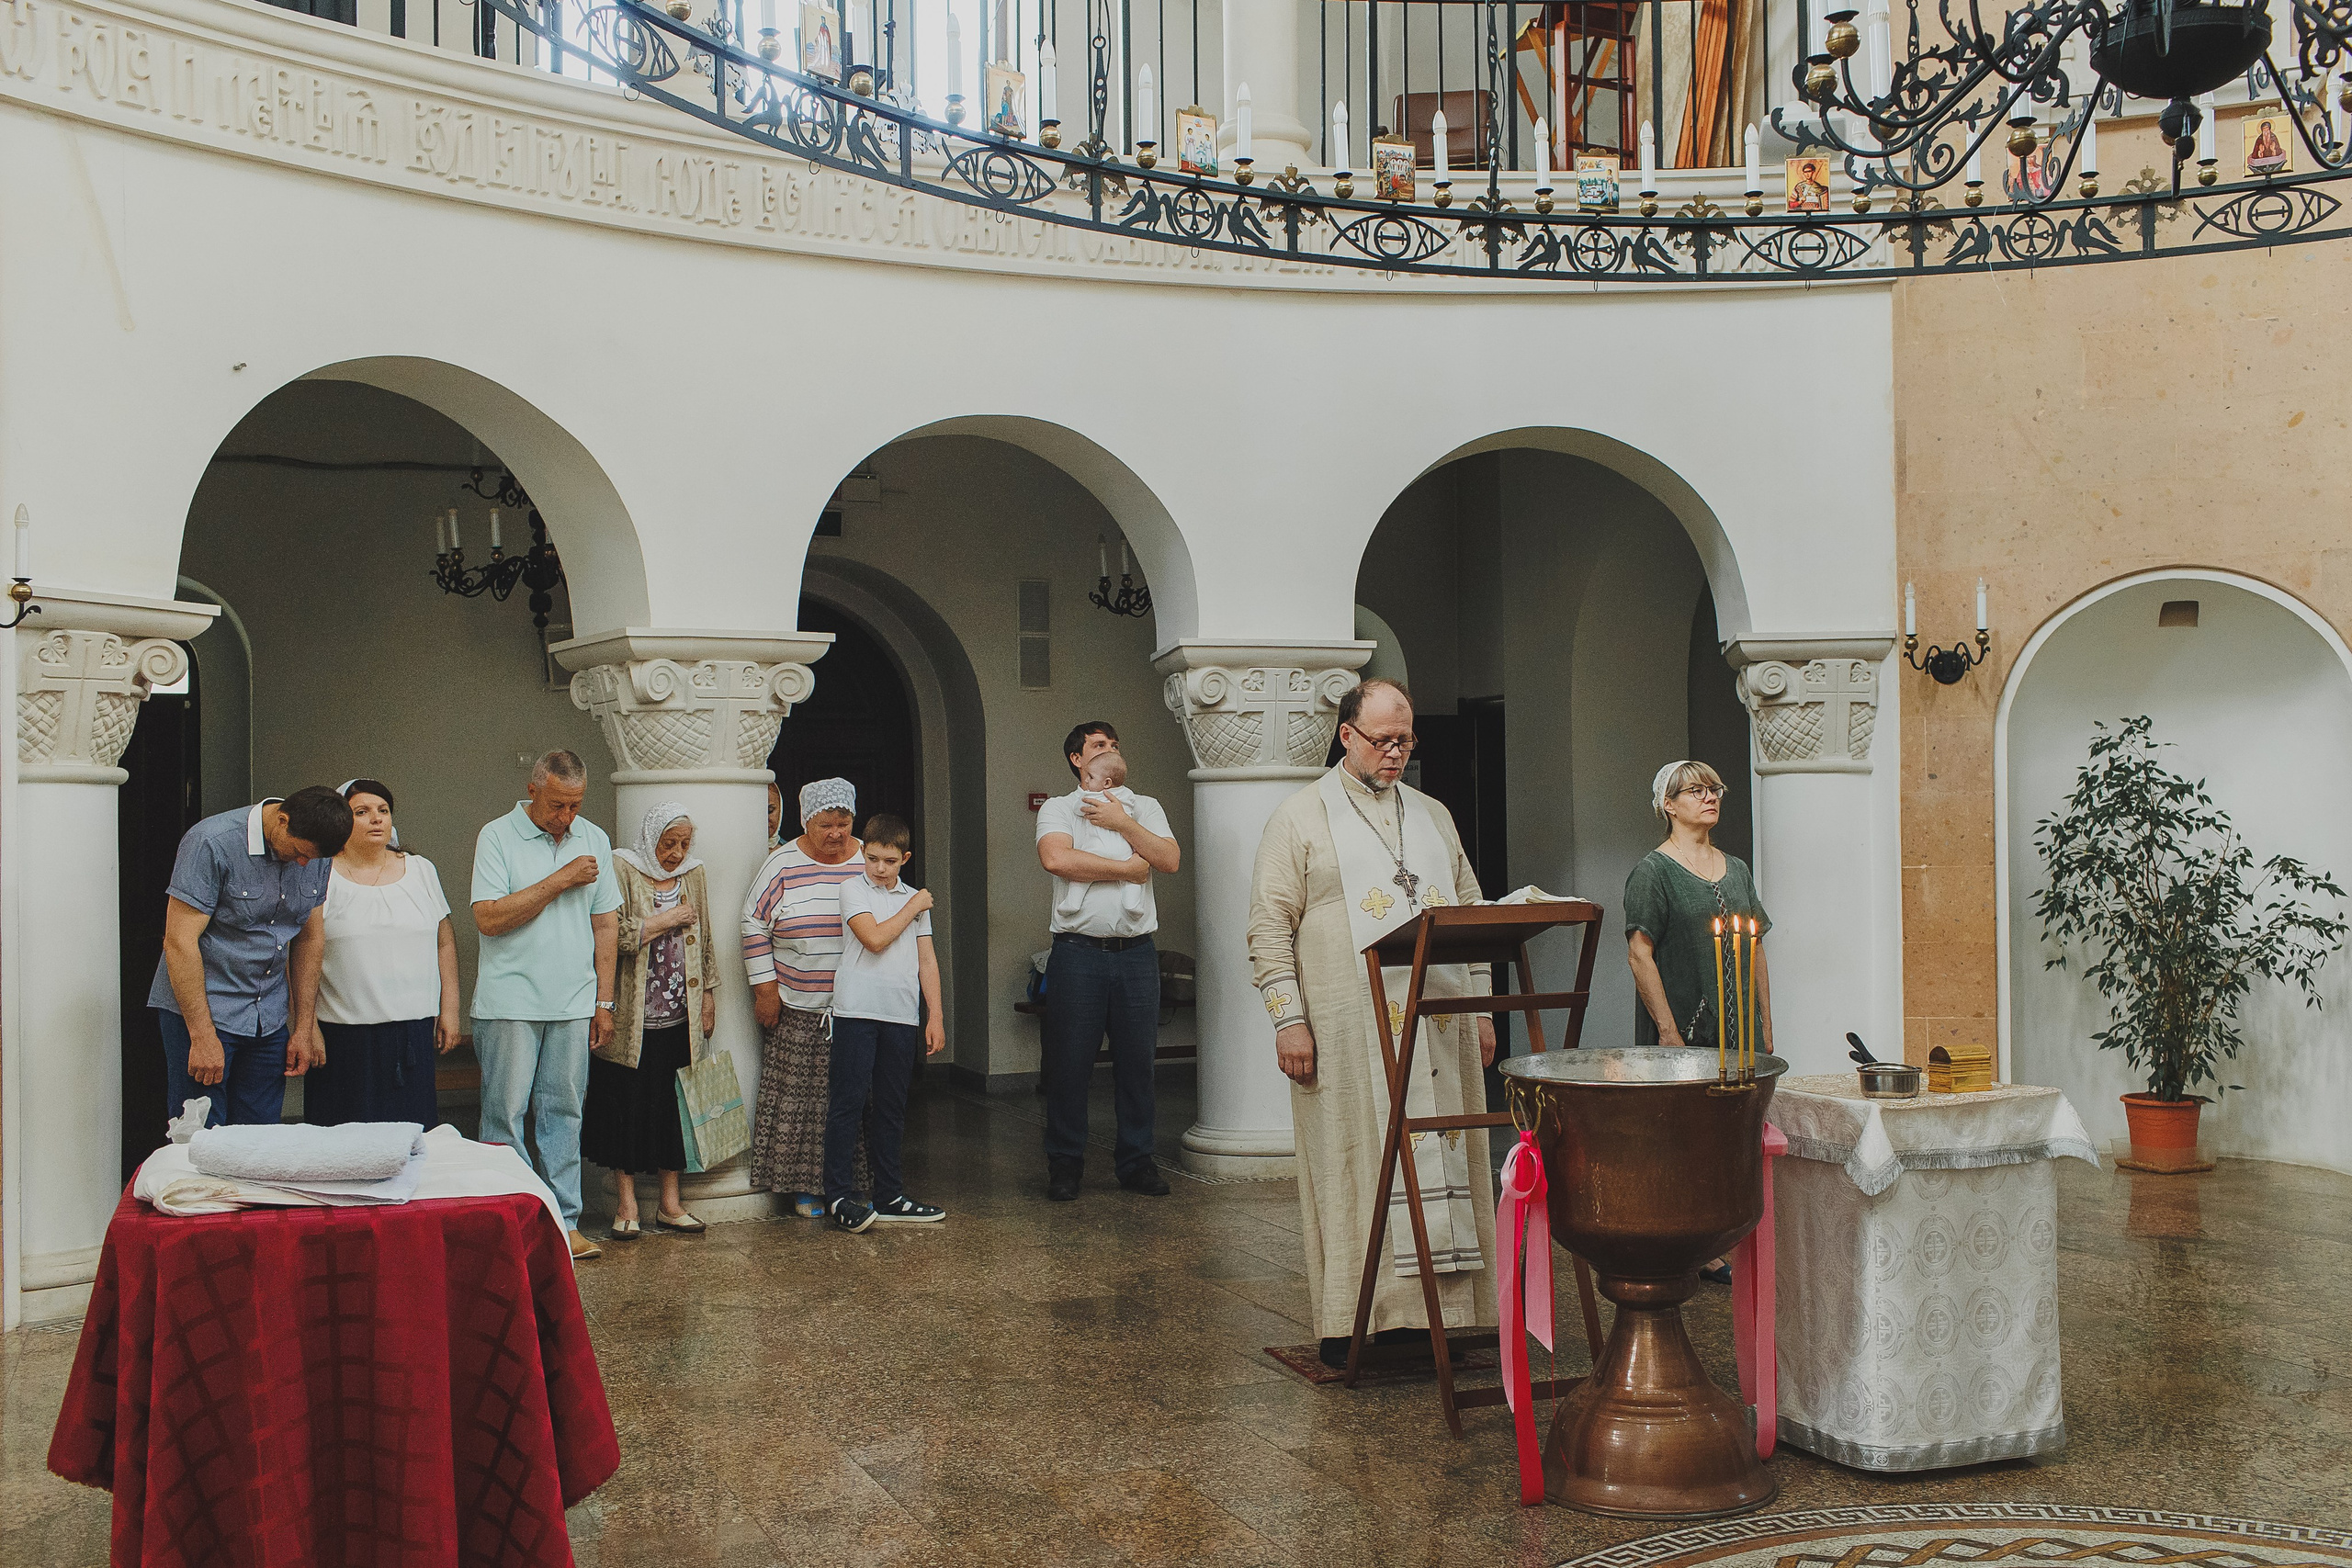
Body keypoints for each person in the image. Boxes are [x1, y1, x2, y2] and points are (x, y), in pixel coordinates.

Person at [1246, 678, 1497, 1370]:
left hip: (1439, 1024)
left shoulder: (1433, 812)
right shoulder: (1299, 817)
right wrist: (1287, 1021)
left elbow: (1471, 905)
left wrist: (1478, 1002)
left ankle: (1445, 1322)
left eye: (1406, 740)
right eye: (1383, 740)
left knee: (1444, 1153)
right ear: (1346, 734)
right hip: (1347, 1025)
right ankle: (1358, 1323)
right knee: (1355, 1165)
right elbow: (1269, 923)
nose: (1396, 752)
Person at [471, 750, 622, 1262]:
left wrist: (605, 1000)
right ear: (533, 790)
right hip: (509, 999)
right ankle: (510, 1221)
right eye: (558, 805)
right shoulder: (496, 835)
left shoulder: (593, 837)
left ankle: (565, 1222)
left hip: (575, 999)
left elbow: (606, 925)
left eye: (576, 805)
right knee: (505, 1115)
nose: (567, 817)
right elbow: (488, 919)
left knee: (565, 1112)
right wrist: (560, 880)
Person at [1035, 720, 1182, 1201]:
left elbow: (1169, 859)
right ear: (1077, 759)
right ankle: (1065, 1165)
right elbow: (1058, 860)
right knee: (1069, 1064)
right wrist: (1127, 869)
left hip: (1136, 954)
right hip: (1077, 955)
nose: (1109, 751)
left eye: (1115, 744)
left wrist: (1123, 825)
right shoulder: (1059, 808)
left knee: (1137, 1064)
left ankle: (1137, 1163)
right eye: (1099, 745)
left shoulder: (1146, 807)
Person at [149, 787, 355, 1129]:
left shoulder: (316, 856)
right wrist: (201, 1036)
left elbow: (309, 938)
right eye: (299, 852)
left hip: (268, 1015)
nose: (304, 864)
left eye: (313, 859)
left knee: (260, 1138)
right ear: (282, 820)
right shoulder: (211, 842)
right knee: (200, 1135)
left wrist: (303, 1026)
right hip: (206, 1010)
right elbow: (179, 941)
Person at [584, 802, 718, 1238]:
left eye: (684, 843)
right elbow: (612, 933)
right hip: (631, 1017)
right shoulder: (622, 867)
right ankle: (626, 1205)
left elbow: (707, 937)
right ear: (650, 838)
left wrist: (709, 997)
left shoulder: (693, 874)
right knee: (627, 1106)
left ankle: (670, 1202)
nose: (677, 852)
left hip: (680, 1013)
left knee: (672, 1109)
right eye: (668, 843)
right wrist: (664, 921)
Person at [743, 777, 867, 1217]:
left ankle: (846, 1184)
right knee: (800, 1100)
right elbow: (754, 923)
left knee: (848, 1098)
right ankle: (802, 1187)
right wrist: (765, 989)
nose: (836, 833)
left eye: (844, 822)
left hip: (857, 1005)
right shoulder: (781, 863)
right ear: (806, 821)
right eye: (825, 824)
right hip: (797, 1003)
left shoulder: (867, 859)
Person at [307, 779, 458, 1127]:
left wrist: (448, 1009)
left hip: (411, 1032)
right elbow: (302, 954)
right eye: (361, 812)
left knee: (410, 1138)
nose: (376, 819)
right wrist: (306, 1025)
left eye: (383, 811)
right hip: (344, 1035)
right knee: (343, 1141)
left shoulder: (421, 870)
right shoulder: (321, 873)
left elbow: (444, 942)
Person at [822, 814, 947, 1232]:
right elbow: (873, 939)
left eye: (889, 861)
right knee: (848, 1104)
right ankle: (839, 1196)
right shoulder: (851, 889)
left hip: (900, 1014)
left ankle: (889, 1195)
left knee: (892, 1108)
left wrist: (936, 1015)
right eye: (872, 858)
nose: (879, 868)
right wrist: (913, 907)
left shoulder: (914, 898)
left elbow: (926, 958)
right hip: (857, 1010)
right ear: (862, 852)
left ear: (904, 859)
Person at [1625, 760, 1773, 1055]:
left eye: (1714, 790)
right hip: (1687, 1030)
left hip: (1744, 1031)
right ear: (1669, 805)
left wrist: (1765, 1027)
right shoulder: (1653, 871)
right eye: (1696, 791)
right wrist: (1668, 1032)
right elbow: (1639, 956)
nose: (1710, 797)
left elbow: (1754, 949)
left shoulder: (1737, 869)